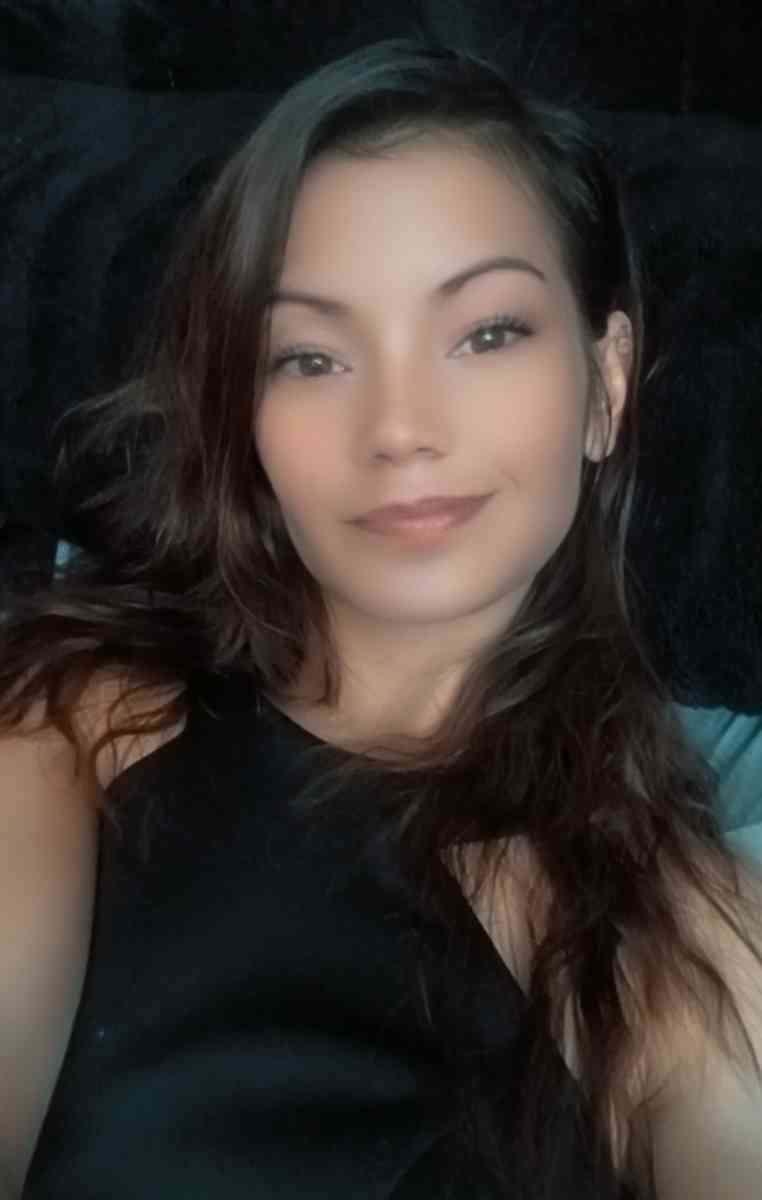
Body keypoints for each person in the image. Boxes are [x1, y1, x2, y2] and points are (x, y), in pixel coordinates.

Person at [1, 36, 760, 1200]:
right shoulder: (80, 720)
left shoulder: (689, 943)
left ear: (605, 385)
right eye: (309, 357)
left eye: (487, 333)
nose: (399, 427)